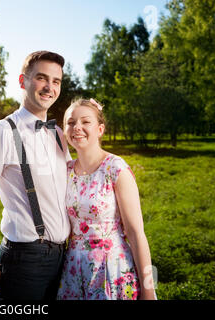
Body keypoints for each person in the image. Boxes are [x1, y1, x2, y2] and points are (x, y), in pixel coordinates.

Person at [0, 51, 71, 300]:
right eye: (42, 78)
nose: (49, 87)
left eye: (56, 81)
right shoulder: (2, 132)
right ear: (23, 81)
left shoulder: (58, 134)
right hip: (25, 261)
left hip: (64, 258)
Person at [57, 98, 157, 300]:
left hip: (111, 267)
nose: (77, 127)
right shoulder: (65, 170)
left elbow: (136, 234)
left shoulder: (116, 168)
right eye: (70, 122)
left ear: (100, 129)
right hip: (73, 270)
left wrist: (149, 291)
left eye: (85, 122)